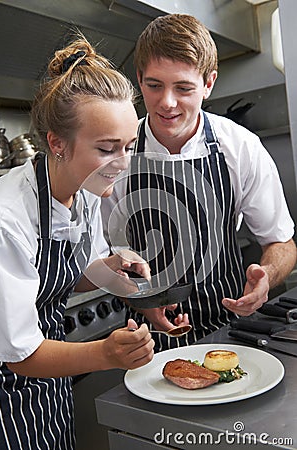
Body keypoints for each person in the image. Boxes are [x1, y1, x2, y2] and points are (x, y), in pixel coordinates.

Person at [101, 13, 297, 352]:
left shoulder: (239, 146)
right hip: (149, 340)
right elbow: (99, 256)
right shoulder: (115, 154)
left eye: (184, 88)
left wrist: (265, 279)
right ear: (138, 78)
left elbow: (281, 243)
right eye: (154, 85)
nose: (167, 102)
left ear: (208, 84)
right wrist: (136, 299)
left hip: (233, 331)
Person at [0, 36, 155, 450]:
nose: (121, 164)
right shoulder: (6, 218)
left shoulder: (84, 193)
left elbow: (73, 273)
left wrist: (113, 270)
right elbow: (19, 354)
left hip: (49, 380)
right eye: (106, 149)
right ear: (57, 143)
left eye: (128, 147)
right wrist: (107, 353)